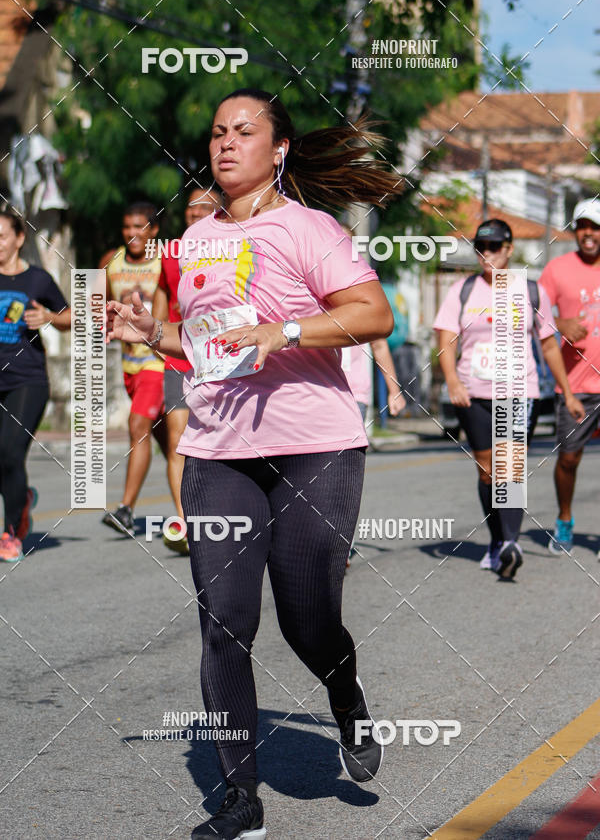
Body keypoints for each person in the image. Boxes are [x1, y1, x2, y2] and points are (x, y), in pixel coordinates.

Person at [106, 88, 402, 840]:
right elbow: (203, 343)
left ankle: (345, 696)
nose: (225, 143)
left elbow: (374, 314)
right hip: (218, 450)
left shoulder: (311, 228)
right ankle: (242, 801)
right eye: (216, 133)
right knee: (224, 625)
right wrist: (153, 331)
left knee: (309, 618)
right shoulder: (197, 240)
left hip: (315, 445)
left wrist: (290, 328)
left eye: (244, 132)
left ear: (279, 150)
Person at [434, 219, 584, 578]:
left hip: (520, 392)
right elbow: (445, 341)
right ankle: (497, 539)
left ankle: (511, 543)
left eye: (495, 247)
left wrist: (569, 391)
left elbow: (548, 345)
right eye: (481, 248)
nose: (488, 255)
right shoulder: (462, 290)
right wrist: (452, 381)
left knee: (510, 469)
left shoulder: (531, 291)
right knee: (488, 471)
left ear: (509, 249)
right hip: (474, 393)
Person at [152, 187, 222, 554]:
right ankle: (186, 524)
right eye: (191, 211)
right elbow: (161, 298)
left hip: (222, 359)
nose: (196, 216)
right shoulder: (170, 253)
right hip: (179, 359)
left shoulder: (231, 249)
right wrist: (155, 338)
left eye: (205, 209)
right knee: (177, 442)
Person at [0, 212, 71, 563]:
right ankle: (22, 499)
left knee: (10, 452)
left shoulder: (37, 279)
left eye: (1, 236)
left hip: (27, 379)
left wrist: (48, 317)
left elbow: (70, 317)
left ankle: (11, 530)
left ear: (17, 239)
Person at [100, 201, 167, 535]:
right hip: (129, 365)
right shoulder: (110, 262)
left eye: (139, 227)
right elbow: (97, 307)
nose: (132, 234)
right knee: (170, 444)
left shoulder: (165, 262)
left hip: (158, 363)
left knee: (138, 424)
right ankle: (197, 507)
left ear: (153, 230)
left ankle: (125, 510)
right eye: (127, 227)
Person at [539, 198, 600, 555]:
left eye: (595, 227)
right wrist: (559, 323)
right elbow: (532, 312)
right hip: (575, 386)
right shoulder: (557, 270)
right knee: (569, 458)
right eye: (582, 227)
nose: (589, 233)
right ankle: (564, 521)